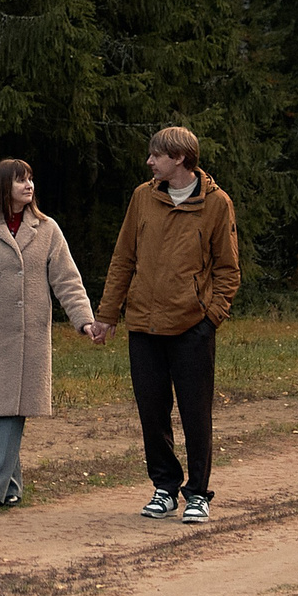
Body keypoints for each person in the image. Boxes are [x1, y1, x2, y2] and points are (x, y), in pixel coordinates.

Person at [90, 126, 239, 524]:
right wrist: (107, 316)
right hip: (143, 325)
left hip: (193, 327)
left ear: (179, 159)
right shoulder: (143, 197)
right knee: (152, 412)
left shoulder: (216, 204)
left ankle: (198, 494)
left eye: (156, 155)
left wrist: (211, 317)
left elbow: (228, 269)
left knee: (195, 413)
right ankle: (164, 488)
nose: (149, 162)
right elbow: (123, 259)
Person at [0, 158, 97, 510]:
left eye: (31, 179)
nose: (29, 186)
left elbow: (67, 280)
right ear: (4, 187)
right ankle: (11, 486)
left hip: (29, 337)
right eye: (20, 181)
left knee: (10, 410)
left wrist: (84, 320)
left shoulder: (47, 229)